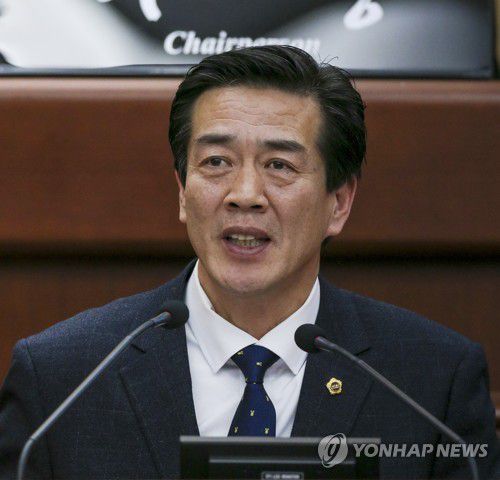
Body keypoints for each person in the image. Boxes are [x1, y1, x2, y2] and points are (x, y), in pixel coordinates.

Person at [0, 46, 498, 480]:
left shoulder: (432, 383)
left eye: (279, 165)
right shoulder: (63, 378)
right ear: (182, 191)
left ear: (339, 203)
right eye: (216, 162)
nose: (244, 194)